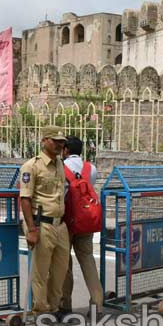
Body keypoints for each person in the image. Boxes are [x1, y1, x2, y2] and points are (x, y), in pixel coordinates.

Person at [20, 126, 70, 318]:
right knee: (40, 273)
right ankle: (41, 310)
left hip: (60, 225)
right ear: (44, 141)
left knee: (60, 271)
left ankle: (54, 307)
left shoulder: (59, 164)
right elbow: (25, 198)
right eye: (55, 141)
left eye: (62, 142)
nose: (60, 145)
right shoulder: (32, 166)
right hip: (42, 224)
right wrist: (31, 228)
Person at [61, 135, 103, 315]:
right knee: (87, 260)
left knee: (65, 263)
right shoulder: (91, 168)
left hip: (67, 221)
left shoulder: (61, 168)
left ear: (65, 150)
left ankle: (65, 305)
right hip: (86, 220)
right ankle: (97, 304)